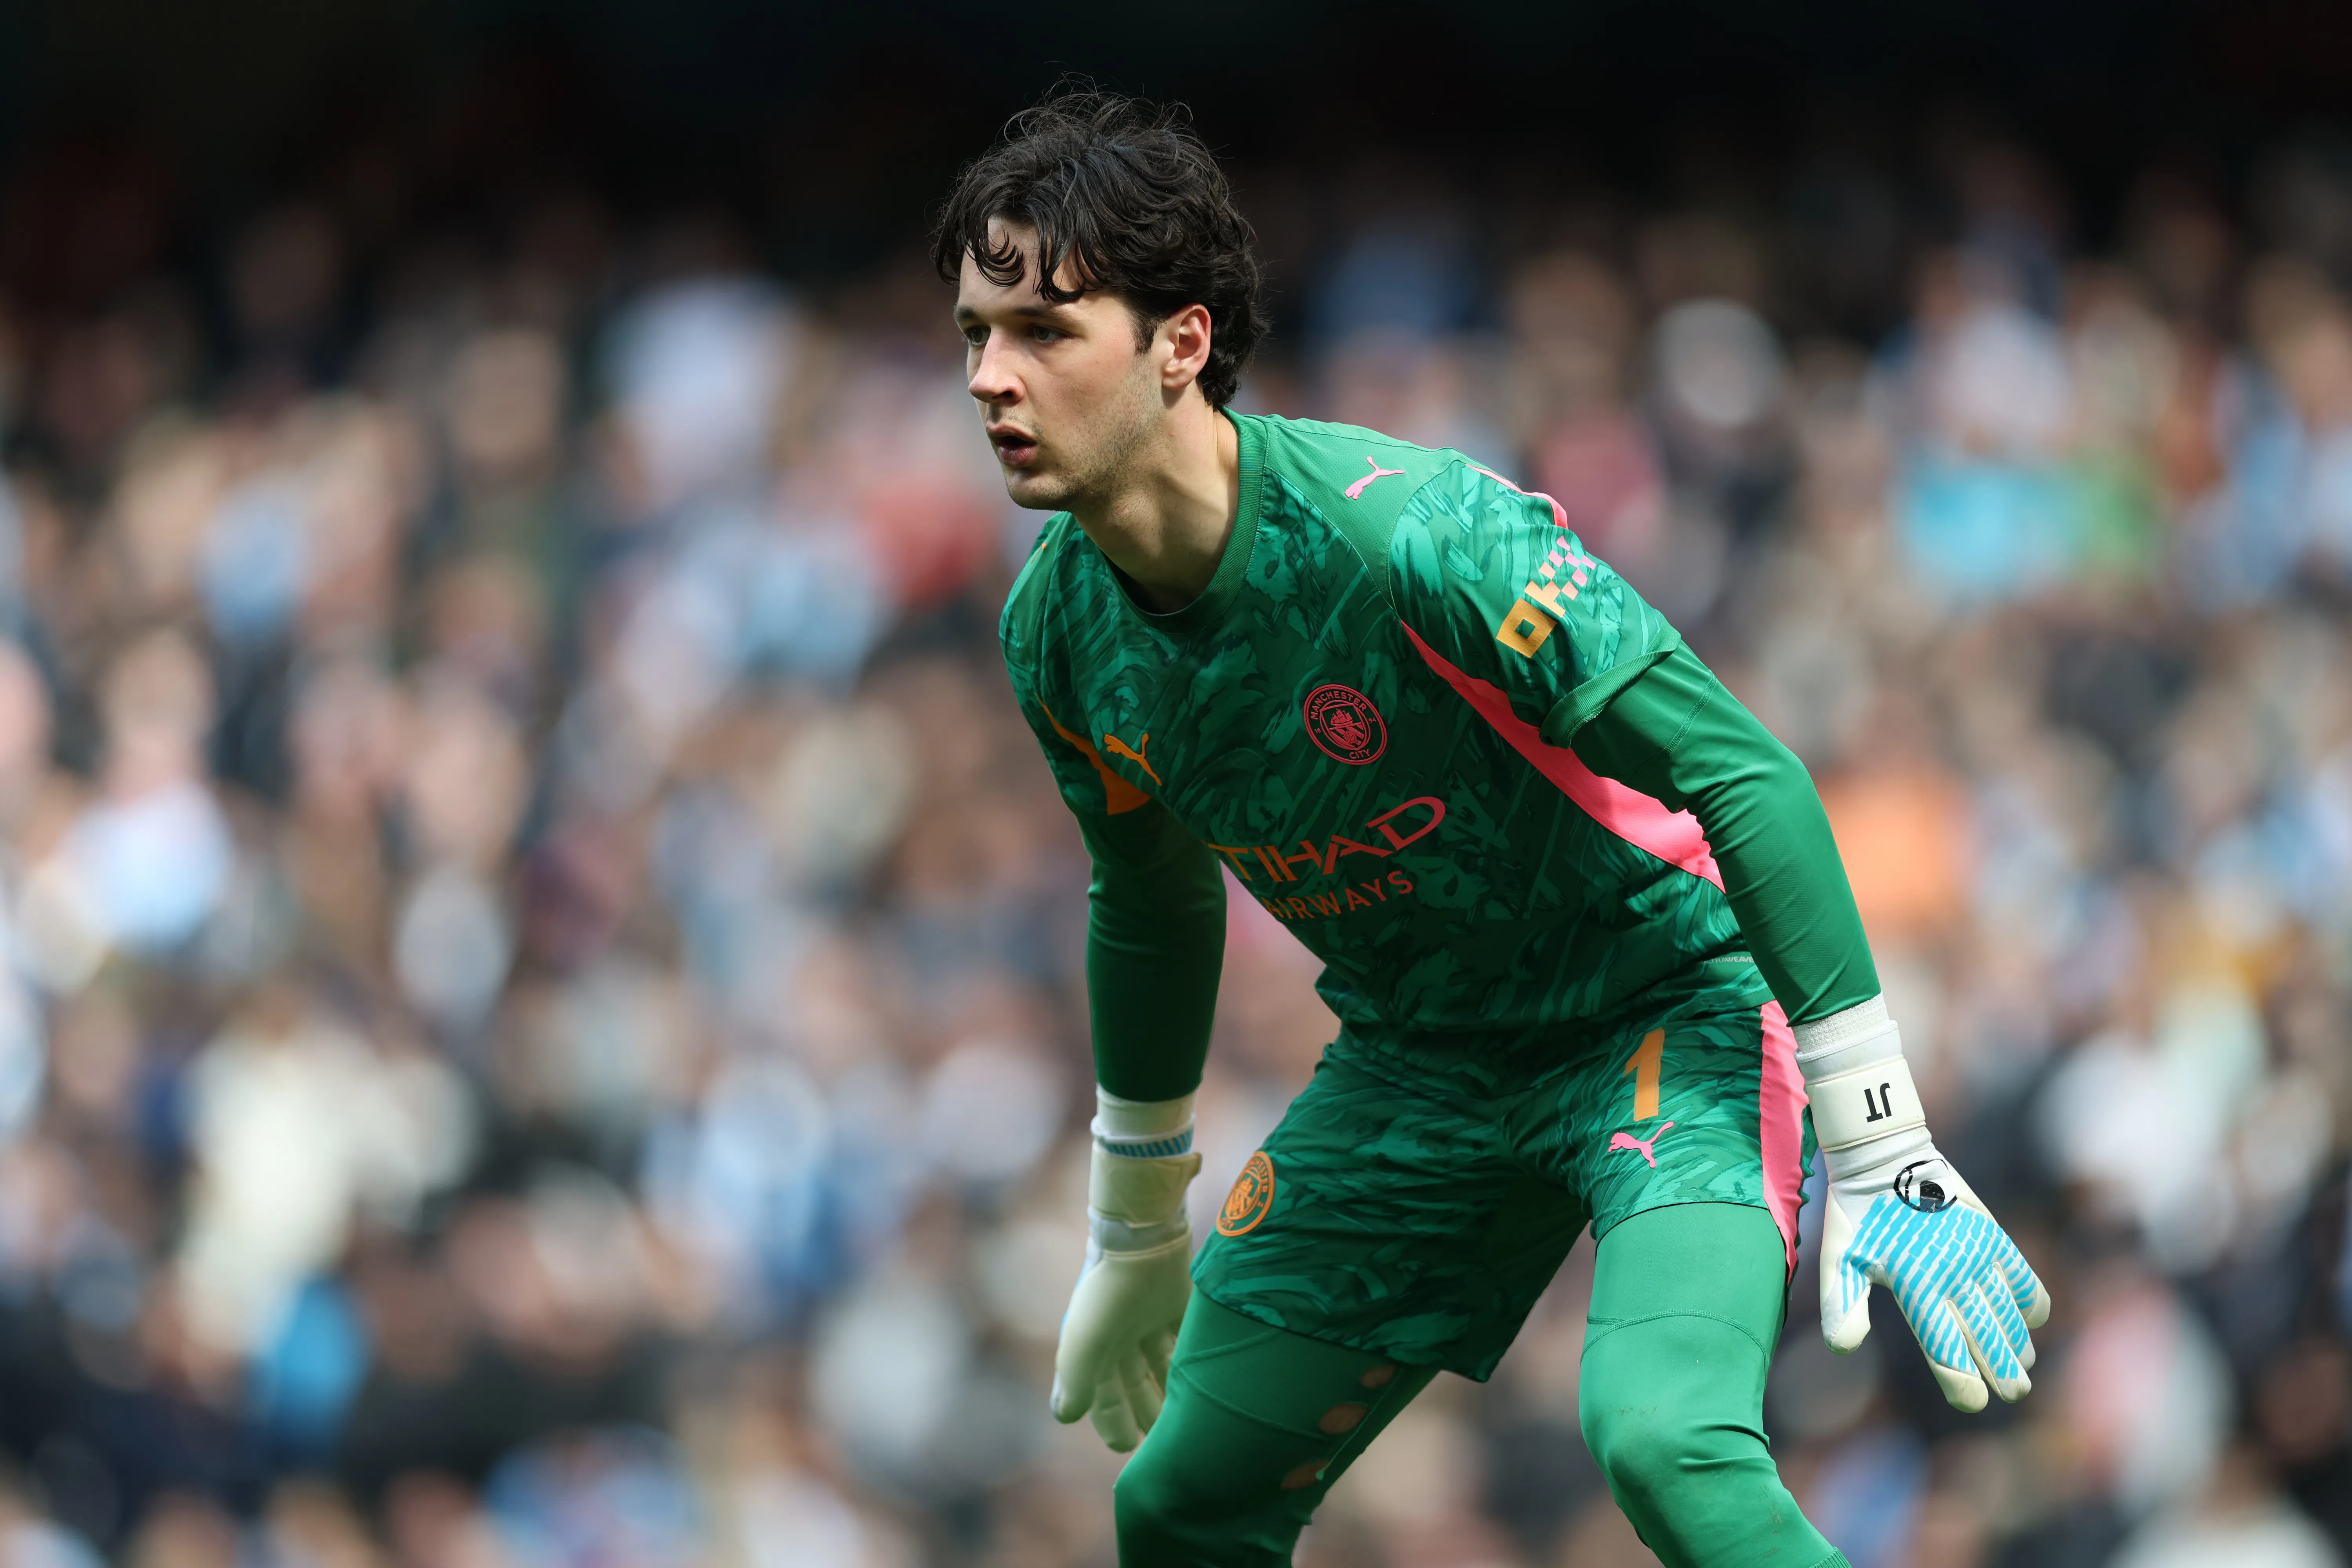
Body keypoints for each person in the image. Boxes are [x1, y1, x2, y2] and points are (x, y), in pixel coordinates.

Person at [935, 90, 2048, 1568]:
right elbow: (1150, 903)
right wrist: (1135, 1222)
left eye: (1043, 333)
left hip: (1660, 1016)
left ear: (1181, 343)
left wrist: (1883, 1136)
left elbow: (1752, 776)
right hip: (1421, 1063)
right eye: (973, 335)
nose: (990, 380)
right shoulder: (1055, 632)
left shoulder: (1416, 535)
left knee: (1664, 1444)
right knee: (1176, 1506)